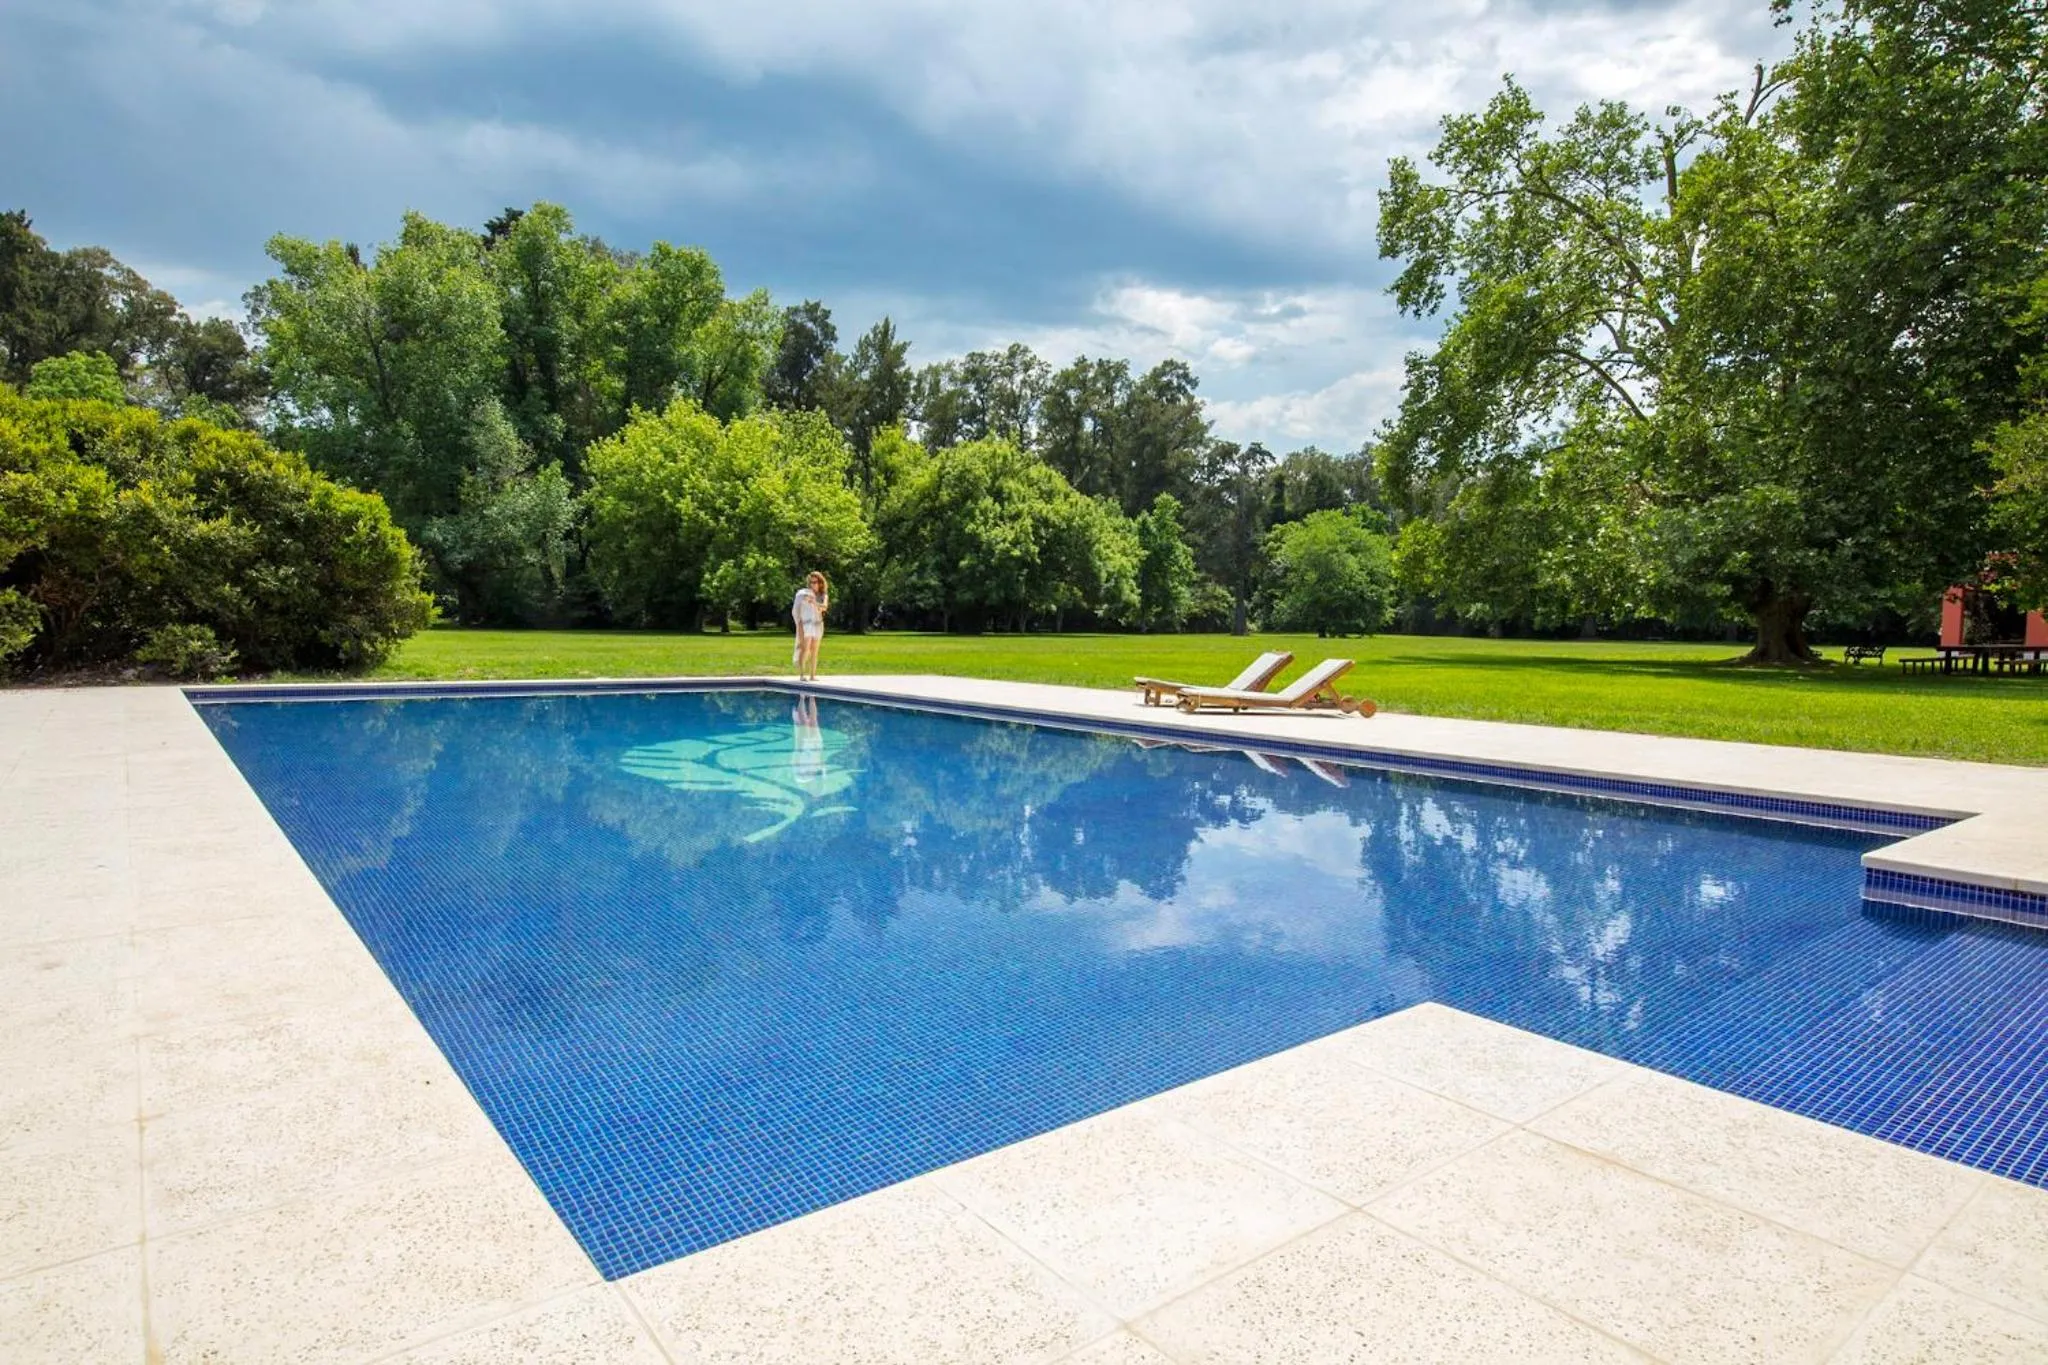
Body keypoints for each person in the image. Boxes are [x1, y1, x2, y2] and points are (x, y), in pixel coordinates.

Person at [791, 571, 828, 681]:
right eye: (811, 582)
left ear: (820, 583)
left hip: (818, 624)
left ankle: (812, 675)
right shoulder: (804, 594)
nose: (812, 585)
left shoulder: (823, 595)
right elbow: (797, 609)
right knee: (805, 648)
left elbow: (824, 607)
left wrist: (814, 602)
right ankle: (802, 674)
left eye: (815, 582)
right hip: (805, 623)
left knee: (814, 650)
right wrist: (799, 623)